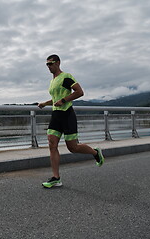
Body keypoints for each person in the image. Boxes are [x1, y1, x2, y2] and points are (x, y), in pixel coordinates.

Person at [38, 54, 104, 188]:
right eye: (47, 64)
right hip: (56, 115)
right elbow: (56, 98)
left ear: (58, 63)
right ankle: (56, 178)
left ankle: (95, 153)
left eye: (51, 64)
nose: (49, 67)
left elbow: (79, 92)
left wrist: (63, 101)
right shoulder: (52, 81)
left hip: (67, 115)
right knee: (52, 143)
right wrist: (45, 103)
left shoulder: (66, 77)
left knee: (72, 147)